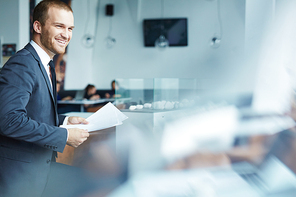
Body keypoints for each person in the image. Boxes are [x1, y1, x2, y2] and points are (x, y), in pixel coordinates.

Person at [0, 1, 92, 196]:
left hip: (42, 169)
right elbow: (9, 120)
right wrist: (64, 136)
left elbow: (33, 112)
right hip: (20, 177)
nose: (66, 35)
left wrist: (65, 121)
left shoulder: (46, 64)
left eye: (70, 28)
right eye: (59, 26)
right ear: (38, 26)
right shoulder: (22, 64)